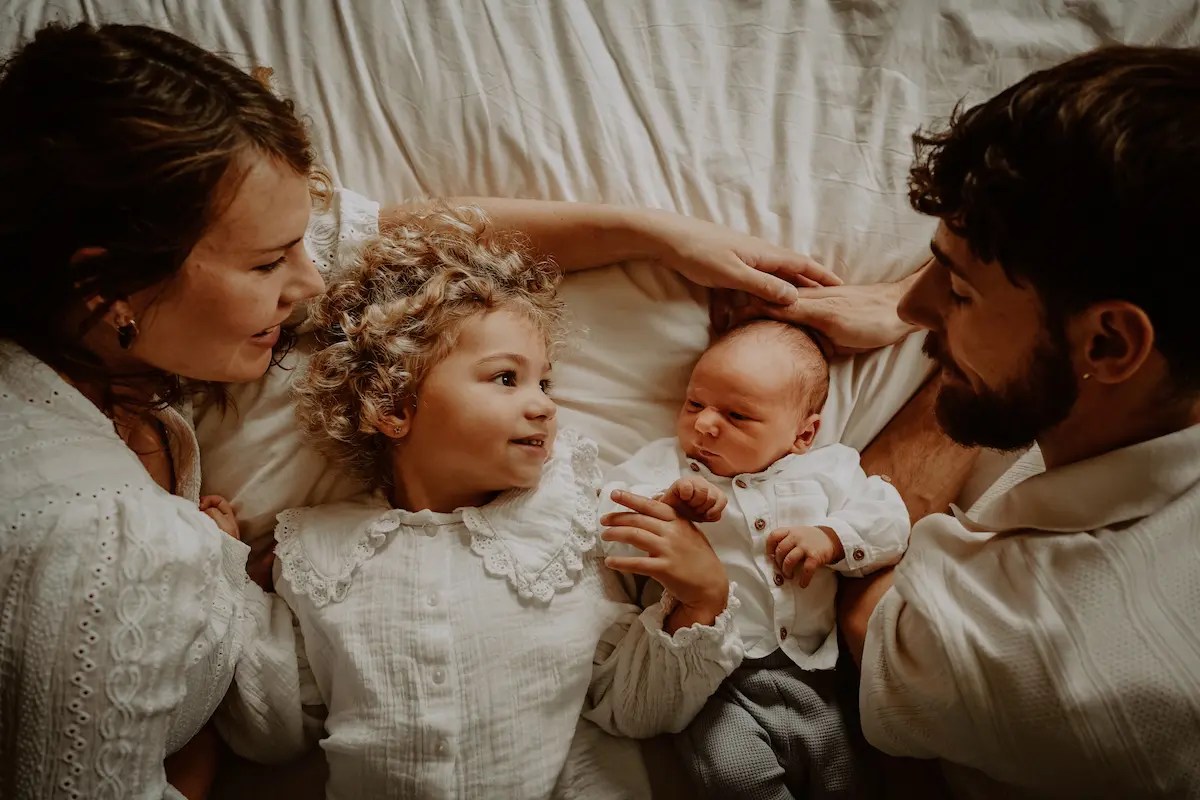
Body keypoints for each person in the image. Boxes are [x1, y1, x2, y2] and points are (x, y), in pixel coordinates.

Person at [0, 20, 864, 800]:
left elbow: (404, 238)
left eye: (304, 239)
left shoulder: (110, 328)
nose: (310, 282)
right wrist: (197, 750)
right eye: (269, 264)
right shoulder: (100, 544)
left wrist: (661, 237)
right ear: (103, 281)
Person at [217, 206, 750, 797]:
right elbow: (270, 731)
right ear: (394, 406)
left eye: (545, 382)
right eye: (506, 378)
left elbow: (635, 710)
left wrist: (701, 597)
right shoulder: (319, 552)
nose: (544, 405)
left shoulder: (568, 526)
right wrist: (225, 580)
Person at [819, 45, 1200, 798]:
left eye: (956, 291)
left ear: (1109, 343)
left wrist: (952, 366)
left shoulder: (1033, 648)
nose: (907, 306)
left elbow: (866, 599)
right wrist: (965, 313)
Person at [601, 320, 909, 799]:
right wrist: (667, 506)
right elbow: (608, 514)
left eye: (737, 416)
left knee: (849, 775)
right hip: (716, 684)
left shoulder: (828, 470)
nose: (704, 424)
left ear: (803, 435)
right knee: (735, 777)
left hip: (819, 673)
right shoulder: (668, 466)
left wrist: (831, 536)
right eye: (694, 403)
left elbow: (890, 519)